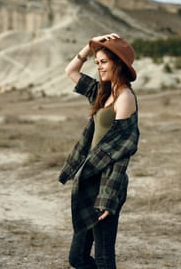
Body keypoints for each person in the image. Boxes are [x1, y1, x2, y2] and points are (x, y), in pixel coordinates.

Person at [59, 33, 140, 269]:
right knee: (77, 258)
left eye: (103, 62)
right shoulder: (101, 92)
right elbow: (70, 72)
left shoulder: (124, 98)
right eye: (97, 62)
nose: (99, 67)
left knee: (104, 257)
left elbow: (121, 153)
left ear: (118, 63)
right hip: (89, 178)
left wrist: (107, 198)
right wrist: (89, 46)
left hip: (107, 183)